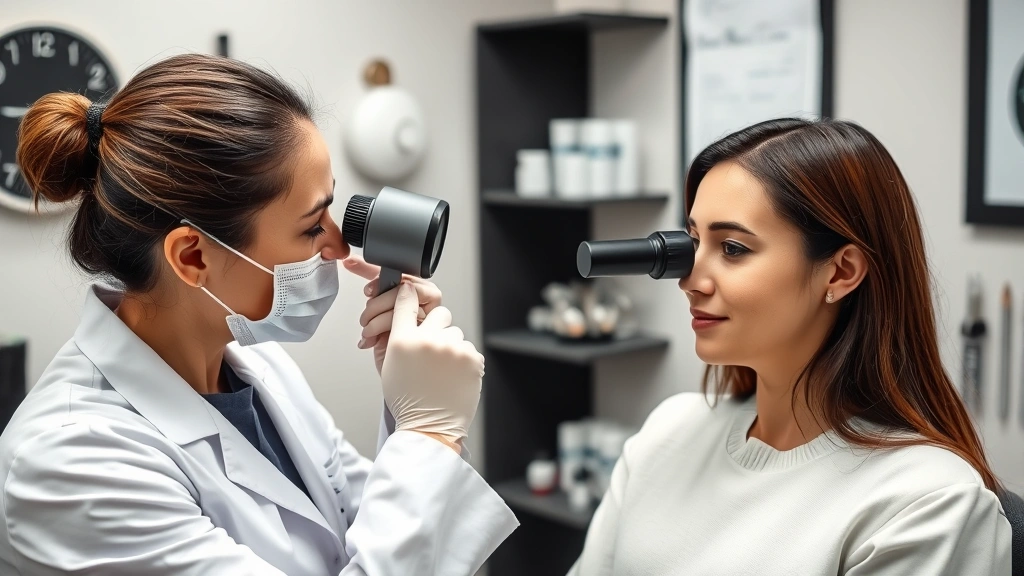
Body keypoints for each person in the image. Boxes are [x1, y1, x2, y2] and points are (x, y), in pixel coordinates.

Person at [0, 53, 517, 575]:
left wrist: (409, 412)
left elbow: (369, 533)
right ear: (192, 257)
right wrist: (430, 435)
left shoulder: (261, 370)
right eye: (312, 226)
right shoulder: (73, 463)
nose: (339, 247)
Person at [569, 118, 1011, 575]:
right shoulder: (668, 431)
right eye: (695, 242)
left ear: (840, 272)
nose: (690, 282)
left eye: (734, 248)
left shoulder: (925, 504)